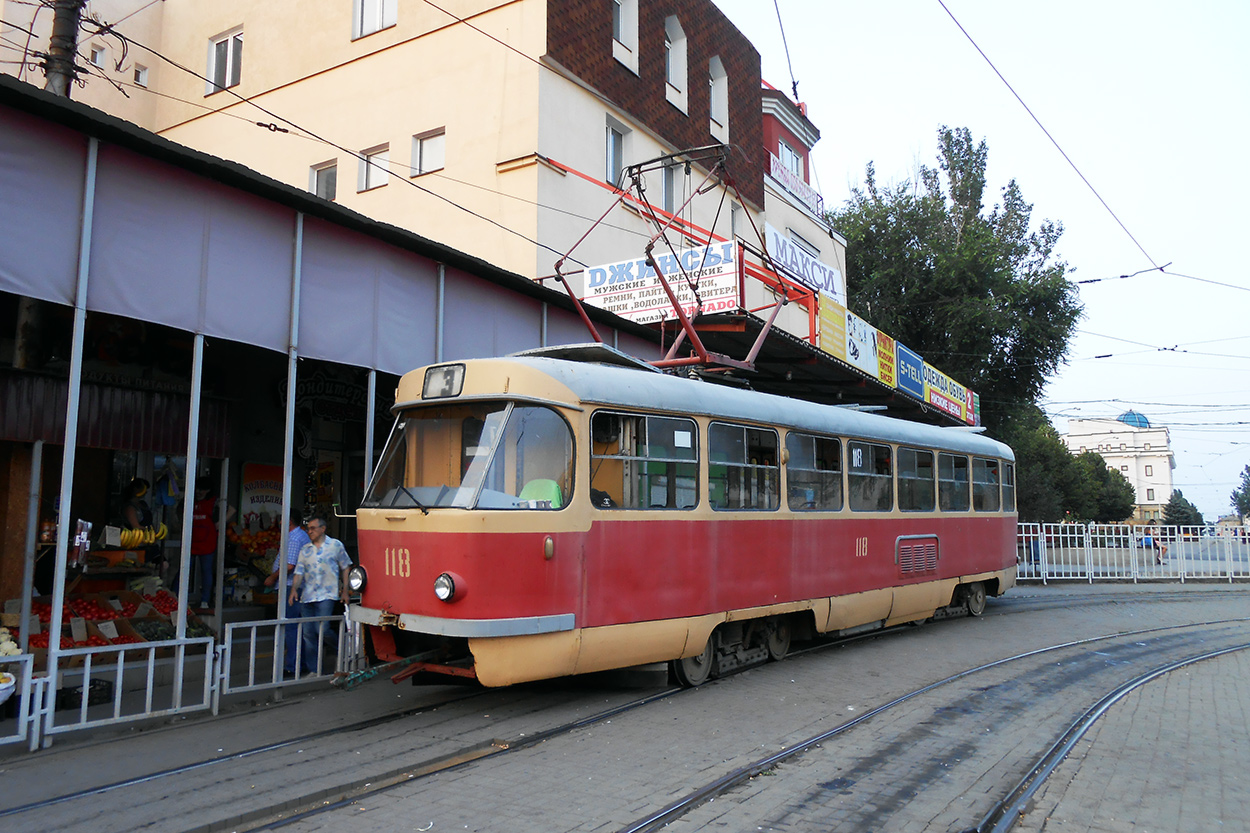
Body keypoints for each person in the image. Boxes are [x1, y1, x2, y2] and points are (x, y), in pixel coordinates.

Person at [288, 514, 351, 677]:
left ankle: (343, 652)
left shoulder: (335, 545)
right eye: (308, 529)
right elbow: (299, 572)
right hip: (308, 595)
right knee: (308, 633)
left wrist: (345, 590)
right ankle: (314, 669)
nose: (309, 532)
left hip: (327, 594)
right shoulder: (305, 550)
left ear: (323, 529)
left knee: (323, 628)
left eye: (312, 528)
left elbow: (346, 566)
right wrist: (294, 589)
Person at [266, 513, 312, 676]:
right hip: (300, 586)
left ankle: (293, 665)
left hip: (291, 586)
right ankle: (302, 663)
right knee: (298, 626)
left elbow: (290, 565)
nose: (279, 523)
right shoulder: (302, 535)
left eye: (281, 519)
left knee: (291, 626)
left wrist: (272, 577)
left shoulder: (293, 538)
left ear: (289, 521)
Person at [188, 485, 233, 610]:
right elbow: (179, 510)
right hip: (191, 540)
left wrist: (220, 523)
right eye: (197, 489)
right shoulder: (189, 498)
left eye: (203, 489)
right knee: (184, 569)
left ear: (209, 490)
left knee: (206, 570)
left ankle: (205, 600)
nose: (199, 491)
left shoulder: (216, 501)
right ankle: (176, 596)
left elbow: (232, 509)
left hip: (207, 541)